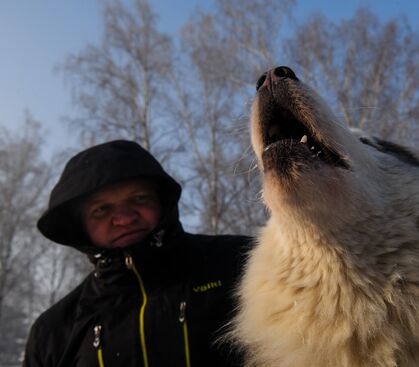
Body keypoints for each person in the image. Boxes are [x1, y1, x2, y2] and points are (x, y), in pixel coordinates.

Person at [23, 140, 250, 367]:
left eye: (139, 198)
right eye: (101, 209)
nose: (124, 218)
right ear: (80, 227)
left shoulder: (242, 264)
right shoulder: (54, 331)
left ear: (162, 202)